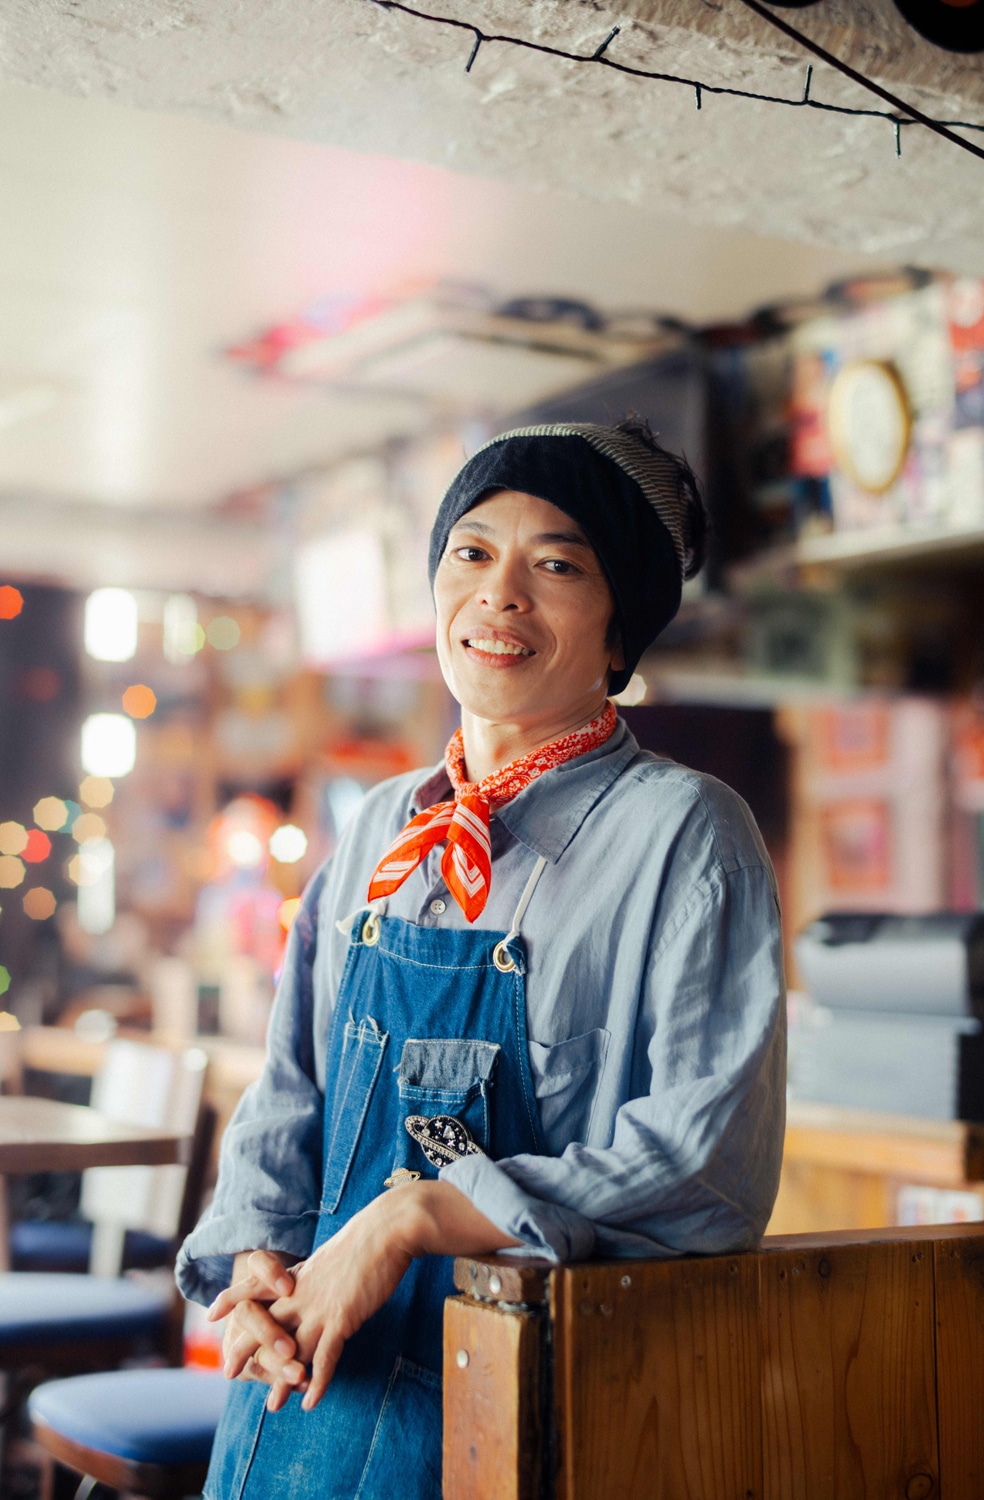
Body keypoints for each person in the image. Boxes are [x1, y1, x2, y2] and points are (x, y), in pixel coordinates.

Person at [176, 419, 786, 1500]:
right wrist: (258, 1263)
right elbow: (290, 1094)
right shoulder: (375, 827)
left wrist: (412, 1216)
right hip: (307, 1380)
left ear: (617, 633)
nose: (500, 595)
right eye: (472, 551)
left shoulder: (687, 832)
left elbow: (705, 1167)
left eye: (556, 564)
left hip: (527, 1404)